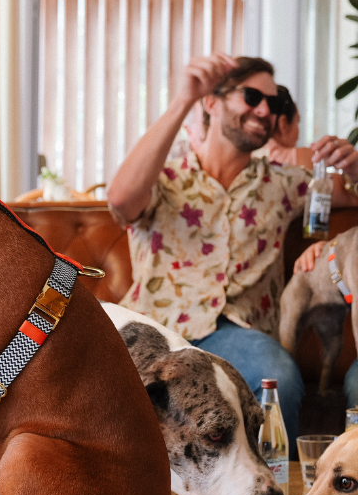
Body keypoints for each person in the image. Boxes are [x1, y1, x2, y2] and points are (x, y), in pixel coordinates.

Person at [107, 53, 358, 453]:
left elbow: (347, 192)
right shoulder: (165, 178)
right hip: (156, 328)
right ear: (212, 102)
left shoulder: (285, 183)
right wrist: (183, 100)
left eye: (274, 104)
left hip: (241, 336)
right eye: (252, 96)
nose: (264, 110)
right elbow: (121, 199)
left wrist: (355, 168)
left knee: (279, 378)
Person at [253, 86, 315, 169]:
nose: (298, 133)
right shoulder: (301, 157)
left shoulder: (244, 157)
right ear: (284, 124)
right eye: (297, 122)